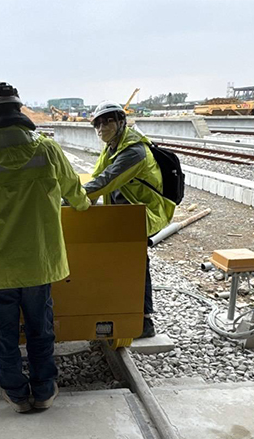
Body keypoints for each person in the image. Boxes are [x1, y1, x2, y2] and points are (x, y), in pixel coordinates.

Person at [0, 81, 90, 413]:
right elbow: (77, 195)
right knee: (41, 330)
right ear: (18, 111)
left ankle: (16, 393)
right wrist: (83, 203)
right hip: (40, 263)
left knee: (3, 335)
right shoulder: (47, 150)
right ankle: (43, 390)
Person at [84, 101, 177, 339]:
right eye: (99, 123)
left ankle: (145, 321)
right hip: (126, 213)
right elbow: (97, 175)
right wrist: (85, 200)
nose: (103, 127)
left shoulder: (133, 151)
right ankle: (121, 309)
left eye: (108, 121)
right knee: (121, 260)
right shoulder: (113, 146)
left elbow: (106, 181)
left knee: (136, 263)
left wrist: (70, 200)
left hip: (145, 214)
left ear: (121, 122)